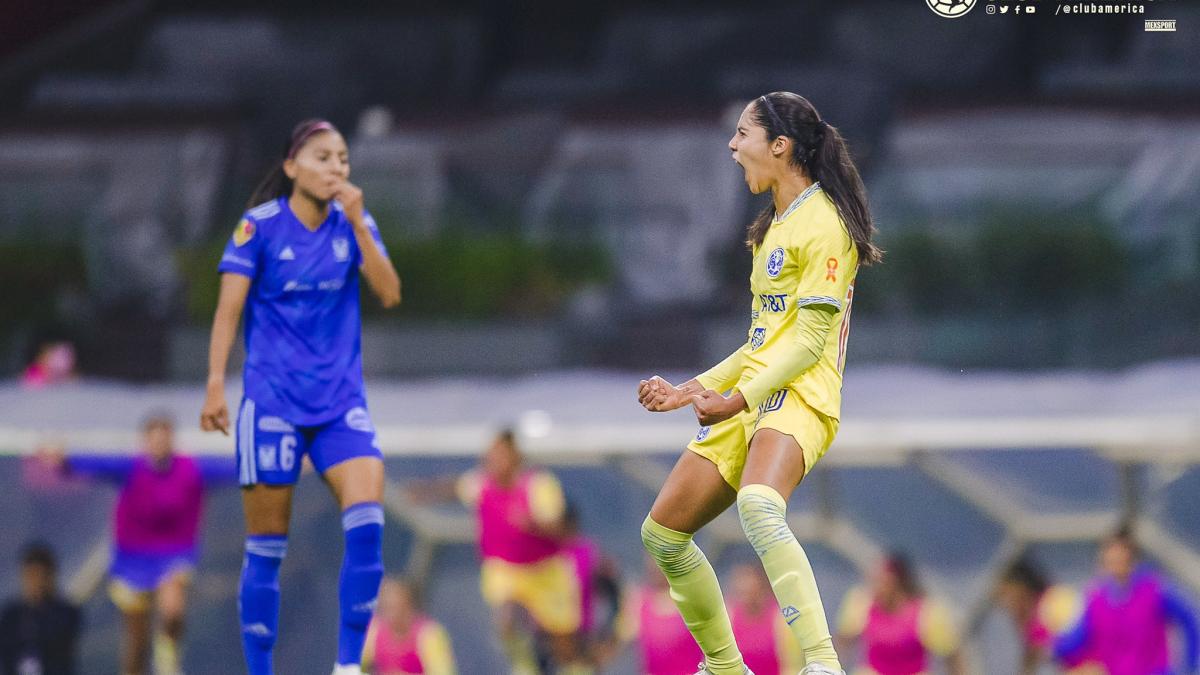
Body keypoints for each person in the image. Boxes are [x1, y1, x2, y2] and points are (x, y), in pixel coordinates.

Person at [637, 91, 881, 675]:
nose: (731, 145)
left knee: (759, 506)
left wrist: (735, 399)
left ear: (780, 146)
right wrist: (689, 390)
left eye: (742, 134)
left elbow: (807, 345)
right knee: (663, 535)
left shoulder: (825, 224)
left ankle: (822, 664)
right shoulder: (771, 229)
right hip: (753, 396)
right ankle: (725, 667)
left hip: (802, 396)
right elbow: (761, 343)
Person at [199, 118, 401, 675]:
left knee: (367, 526)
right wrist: (216, 383)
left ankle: (346, 667)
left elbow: (389, 291)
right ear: (291, 167)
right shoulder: (257, 228)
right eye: (322, 157)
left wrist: (359, 222)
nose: (336, 167)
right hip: (272, 406)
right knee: (266, 547)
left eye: (342, 157)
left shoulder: (353, 224)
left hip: (340, 407)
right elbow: (228, 311)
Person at [38, 412, 236, 675]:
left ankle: (168, 658)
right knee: (137, 645)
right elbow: (96, 465)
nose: (159, 446)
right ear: (144, 442)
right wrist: (64, 461)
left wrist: (283, 465)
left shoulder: (190, 469)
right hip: (131, 562)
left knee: (172, 607)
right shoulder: (131, 467)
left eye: (164, 439)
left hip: (173, 555)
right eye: (153, 440)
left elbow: (234, 469)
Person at [449, 429, 584, 674]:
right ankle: (524, 664)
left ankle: (570, 667)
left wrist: (532, 524)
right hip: (505, 568)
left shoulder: (538, 485)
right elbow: (452, 488)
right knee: (506, 618)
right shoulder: (479, 483)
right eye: (491, 455)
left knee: (563, 642)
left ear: (515, 457)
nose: (494, 461)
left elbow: (560, 527)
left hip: (545, 571)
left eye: (500, 455)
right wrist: (419, 492)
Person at [1055, 525, 1199, 675]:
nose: (1115, 558)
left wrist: (1189, 666)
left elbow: (1189, 619)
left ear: (1131, 554)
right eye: (1110, 552)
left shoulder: (1154, 589)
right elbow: (1079, 639)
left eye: (1120, 552)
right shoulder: (1097, 599)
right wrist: (1055, 645)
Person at [834, 553, 963, 675]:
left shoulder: (927, 612)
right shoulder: (862, 603)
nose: (874, 586)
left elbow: (952, 655)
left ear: (896, 582)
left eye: (880, 581)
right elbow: (842, 644)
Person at [994, 555, 1089, 674]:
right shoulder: (1028, 621)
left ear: (1021, 588)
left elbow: (1084, 636)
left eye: (1007, 595)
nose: (1005, 604)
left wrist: (1049, 649)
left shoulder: (1056, 600)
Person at [0, 543, 82, 675]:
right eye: (31, 575)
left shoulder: (66, 614)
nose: (36, 582)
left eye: (41, 576)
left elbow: (57, 645)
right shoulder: (11, 616)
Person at [617, 555, 705, 675]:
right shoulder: (639, 602)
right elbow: (618, 640)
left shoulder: (693, 601)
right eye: (652, 559)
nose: (655, 565)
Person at [362, 577, 457, 675]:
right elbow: (352, 665)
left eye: (394, 607)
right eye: (386, 607)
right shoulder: (374, 631)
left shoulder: (429, 634)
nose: (390, 613)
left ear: (408, 605)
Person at [727, 563, 802, 675]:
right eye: (741, 592)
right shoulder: (729, 618)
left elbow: (792, 666)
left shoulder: (782, 621)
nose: (745, 596)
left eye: (750, 590)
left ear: (762, 587)